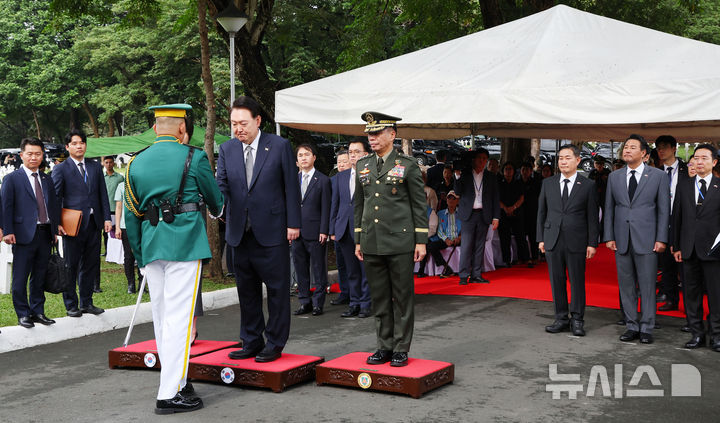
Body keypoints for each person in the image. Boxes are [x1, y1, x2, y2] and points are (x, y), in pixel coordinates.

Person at [124, 103, 224, 413]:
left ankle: (177, 380)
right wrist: (216, 209)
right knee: (179, 320)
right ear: (182, 128)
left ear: (155, 128)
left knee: (163, 318)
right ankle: (169, 394)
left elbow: (132, 216)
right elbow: (216, 202)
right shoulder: (193, 158)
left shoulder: (135, 164)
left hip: (152, 248)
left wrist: (140, 256)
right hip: (184, 246)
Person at [216, 96, 301, 363]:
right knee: (247, 291)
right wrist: (215, 206)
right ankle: (251, 340)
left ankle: (274, 343)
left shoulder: (279, 146)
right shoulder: (227, 149)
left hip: (273, 231)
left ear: (258, 120)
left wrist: (293, 224)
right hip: (239, 233)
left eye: (243, 123)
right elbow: (222, 186)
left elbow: (290, 187)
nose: (238, 129)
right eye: (233, 124)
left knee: (277, 291)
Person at [354, 111, 427, 367]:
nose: (371, 139)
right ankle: (384, 346)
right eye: (369, 134)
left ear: (392, 135)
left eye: (376, 134)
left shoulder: (407, 165)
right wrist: (358, 239)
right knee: (380, 297)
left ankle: (401, 348)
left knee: (402, 297)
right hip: (372, 241)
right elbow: (359, 204)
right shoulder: (362, 165)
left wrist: (421, 241)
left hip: (400, 242)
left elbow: (419, 206)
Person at [603, 134, 669, 344]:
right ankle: (631, 324)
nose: (627, 150)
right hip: (621, 238)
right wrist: (609, 236)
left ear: (644, 154)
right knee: (626, 285)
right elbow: (609, 209)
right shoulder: (615, 177)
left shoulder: (658, 176)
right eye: (626, 147)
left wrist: (661, 238)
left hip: (648, 239)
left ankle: (647, 327)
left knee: (648, 285)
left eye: (632, 147)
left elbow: (663, 210)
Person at [537, 145, 599, 336]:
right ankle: (561, 317)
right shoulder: (548, 183)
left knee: (577, 280)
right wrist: (541, 238)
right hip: (552, 239)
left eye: (567, 158)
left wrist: (592, 243)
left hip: (577, 240)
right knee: (557, 280)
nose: (563, 161)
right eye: (560, 158)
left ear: (578, 160)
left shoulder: (587, 185)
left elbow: (592, 216)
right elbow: (541, 212)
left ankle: (578, 319)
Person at [52, 129, 112, 317]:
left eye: (82, 143)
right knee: (71, 265)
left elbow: (102, 193)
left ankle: (87, 302)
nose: (79, 146)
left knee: (90, 265)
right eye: (75, 143)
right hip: (72, 225)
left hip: (94, 223)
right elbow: (55, 198)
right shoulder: (61, 169)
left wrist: (107, 218)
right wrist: (57, 223)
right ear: (68, 146)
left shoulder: (95, 167)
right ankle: (71, 304)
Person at [1, 138, 60, 328]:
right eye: (30, 153)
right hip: (23, 234)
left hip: (45, 233)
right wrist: (8, 231)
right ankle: (23, 313)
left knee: (40, 275)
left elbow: (52, 205)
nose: (34, 157)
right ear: (22, 155)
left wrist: (55, 227)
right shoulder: (12, 179)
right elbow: (5, 207)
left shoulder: (46, 178)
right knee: (20, 276)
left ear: (42, 155)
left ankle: (38, 311)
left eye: (38, 154)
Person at [671, 144, 720, 352]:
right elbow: (677, 217)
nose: (699, 162)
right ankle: (697, 333)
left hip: (714, 250)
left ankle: (717, 335)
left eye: (704, 158)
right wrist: (676, 245)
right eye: (696, 158)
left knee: (717, 295)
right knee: (692, 294)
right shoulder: (684, 185)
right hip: (688, 248)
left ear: (714, 162)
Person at [330, 139, 372, 317]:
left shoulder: (370, 175)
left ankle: (365, 304)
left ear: (365, 154)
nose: (353, 155)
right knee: (351, 270)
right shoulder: (340, 176)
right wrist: (332, 229)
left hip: (364, 229)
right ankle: (354, 302)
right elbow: (335, 204)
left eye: (357, 152)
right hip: (344, 228)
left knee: (365, 270)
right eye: (351, 152)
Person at [292, 144, 331, 316]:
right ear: (296, 161)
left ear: (314, 157)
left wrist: (324, 230)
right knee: (300, 269)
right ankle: (304, 301)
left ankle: (318, 303)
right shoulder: (293, 180)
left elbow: (326, 208)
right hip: (297, 232)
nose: (303, 158)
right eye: (300, 155)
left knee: (318, 268)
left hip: (316, 232)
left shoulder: (323, 180)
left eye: (307, 154)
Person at [454, 148, 500, 284]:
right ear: (473, 160)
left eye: (484, 159)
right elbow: (457, 191)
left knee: (480, 246)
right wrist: (457, 175)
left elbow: (495, 198)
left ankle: (476, 274)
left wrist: (496, 217)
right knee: (467, 245)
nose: (482, 161)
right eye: (479, 158)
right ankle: (463, 275)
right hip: (468, 214)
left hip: (484, 215)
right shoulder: (465, 174)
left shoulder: (491, 177)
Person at [654, 135, 687, 312]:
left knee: (684, 267)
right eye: (658, 147)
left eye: (665, 146)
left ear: (674, 148)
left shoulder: (687, 171)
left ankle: (690, 306)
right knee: (666, 264)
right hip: (662, 223)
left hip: (681, 223)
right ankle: (671, 298)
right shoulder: (655, 172)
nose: (661, 150)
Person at [498, 162, 530, 267]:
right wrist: (505, 208)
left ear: (514, 171)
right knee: (505, 238)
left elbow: (522, 198)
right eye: (506, 169)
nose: (508, 171)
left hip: (517, 213)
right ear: (503, 171)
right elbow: (497, 199)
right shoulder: (499, 183)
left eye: (510, 169)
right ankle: (507, 260)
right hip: (503, 214)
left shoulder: (518, 183)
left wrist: (513, 207)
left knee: (520, 236)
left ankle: (525, 258)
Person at [330, 150, 351, 306]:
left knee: (354, 265)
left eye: (345, 161)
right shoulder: (333, 180)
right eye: (339, 162)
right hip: (338, 227)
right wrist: (331, 230)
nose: (342, 164)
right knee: (341, 264)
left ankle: (358, 295)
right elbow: (332, 207)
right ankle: (345, 293)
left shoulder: (357, 177)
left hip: (353, 228)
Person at [427, 190, 462, 277]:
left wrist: (460, 238)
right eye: (449, 198)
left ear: (458, 201)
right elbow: (439, 230)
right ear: (446, 200)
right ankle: (446, 267)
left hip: (458, 238)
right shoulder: (440, 213)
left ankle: (468, 270)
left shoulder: (462, 213)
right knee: (430, 246)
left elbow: (466, 229)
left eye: (454, 198)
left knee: (471, 243)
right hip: (446, 239)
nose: (451, 200)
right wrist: (446, 239)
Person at [102, 156, 124, 265]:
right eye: (106, 162)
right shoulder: (101, 177)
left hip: (116, 208)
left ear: (114, 163)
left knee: (116, 231)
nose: (109, 164)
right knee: (105, 233)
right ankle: (107, 251)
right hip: (104, 209)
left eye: (111, 162)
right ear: (103, 163)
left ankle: (118, 253)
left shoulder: (119, 177)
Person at [520, 161, 541, 267]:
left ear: (531, 171)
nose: (525, 172)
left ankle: (535, 257)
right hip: (520, 212)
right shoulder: (517, 183)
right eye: (523, 169)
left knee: (533, 236)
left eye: (527, 170)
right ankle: (525, 258)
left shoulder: (536, 183)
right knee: (522, 236)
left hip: (533, 212)